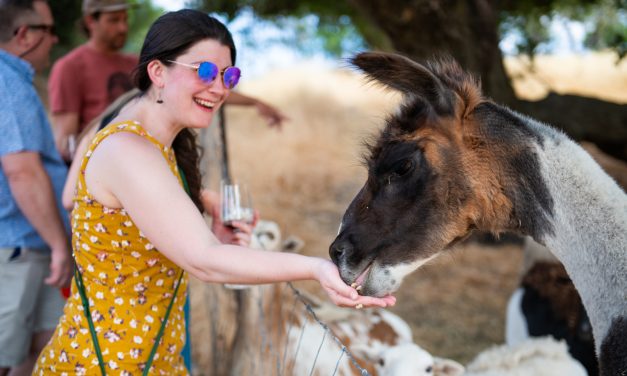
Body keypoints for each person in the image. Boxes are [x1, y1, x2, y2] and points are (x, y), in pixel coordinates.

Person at [34, 9, 395, 375]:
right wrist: (317, 268)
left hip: (147, 360)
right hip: (102, 365)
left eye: (229, 74)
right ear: (157, 72)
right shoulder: (129, 149)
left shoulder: (159, 142)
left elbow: (157, 240)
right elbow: (203, 260)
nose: (220, 87)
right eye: (204, 71)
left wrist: (209, 232)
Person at [49, 0, 287, 162]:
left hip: (148, 157)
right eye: (114, 20)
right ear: (91, 21)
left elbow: (203, 85)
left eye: (125, 19)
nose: (123, 27)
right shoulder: (69, 67)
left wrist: (255, 102)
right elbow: (66, 142)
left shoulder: (134, 61)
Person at [0, 1, 72, 375]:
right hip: (16, 247)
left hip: (29, 245)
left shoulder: (14, 82)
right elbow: (21, 173)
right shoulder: (6, 82)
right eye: (47, 29)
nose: (54, 38)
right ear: (24, 35)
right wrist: (60, 244)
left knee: (38, 348)